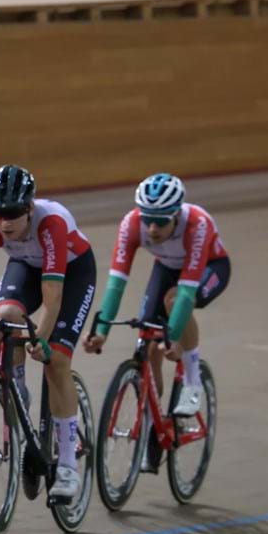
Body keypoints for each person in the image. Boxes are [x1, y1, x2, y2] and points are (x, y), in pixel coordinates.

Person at [0, 165, 96, 501]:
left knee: (56, 363)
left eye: (12, 214)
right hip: (27, 266)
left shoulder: (51, 223)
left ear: (29, 208)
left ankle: (68, 465)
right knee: (6, 317)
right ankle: (19, 390)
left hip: (72, 274)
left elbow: (53, 298)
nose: (4, 222)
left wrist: (40, 339)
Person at [83, 173, 231, 417]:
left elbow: (185, 293)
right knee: (149, 341)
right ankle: (152, 424)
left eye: (160, 222)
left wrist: (172, 337)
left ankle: (192, 382)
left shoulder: (197, 224)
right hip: (167, 266)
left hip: (210, 268)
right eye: (147, 220)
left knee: (174, 301)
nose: (151, 229)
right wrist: (101, 332)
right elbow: (116, 284)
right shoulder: (131, 224)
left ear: (176, 214)